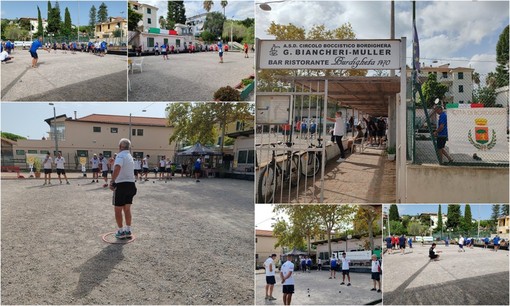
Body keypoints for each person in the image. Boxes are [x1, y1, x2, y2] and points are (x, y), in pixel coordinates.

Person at [109, 139, 137, 239]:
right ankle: (128, 230)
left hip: (121, 185)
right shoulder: (129, 156)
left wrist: (112, 181)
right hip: (131, 185)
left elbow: (118, 168)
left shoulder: (120, 155)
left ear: (120, 146)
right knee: (127, 209)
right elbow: (123, 166)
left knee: (118, 210)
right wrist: (114, 162)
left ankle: (121, 232)